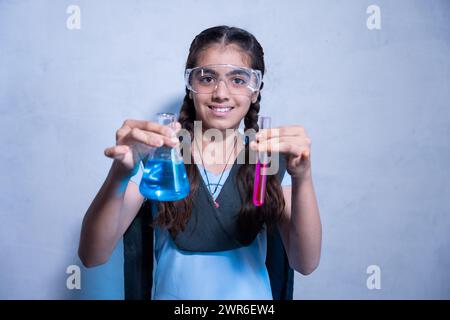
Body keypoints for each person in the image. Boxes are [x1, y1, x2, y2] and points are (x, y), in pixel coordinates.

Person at [78, 25, 322, 300]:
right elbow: (92, 255)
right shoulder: (161, 155)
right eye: (207, 79)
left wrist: (303, 177)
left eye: (238, 80)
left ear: (255, 90)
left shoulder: (269, 158)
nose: (221, 93)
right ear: (190, 85)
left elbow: (306, 263)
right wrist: (120, 174)